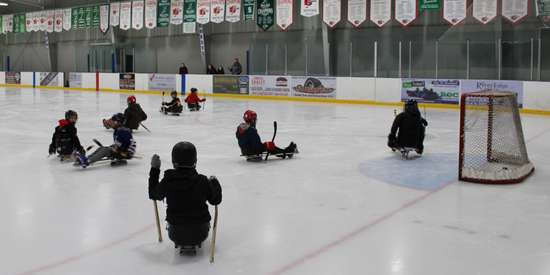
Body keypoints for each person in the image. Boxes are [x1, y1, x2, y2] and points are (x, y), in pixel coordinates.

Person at [148, 141, 222, 254]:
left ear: (173, 161)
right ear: (194, 160)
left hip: (175, 232)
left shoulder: (168, 181)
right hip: (201, 232)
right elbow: (215, 200)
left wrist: (155, 170)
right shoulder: (202, 181)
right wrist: (215, 183)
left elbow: (153, 194)